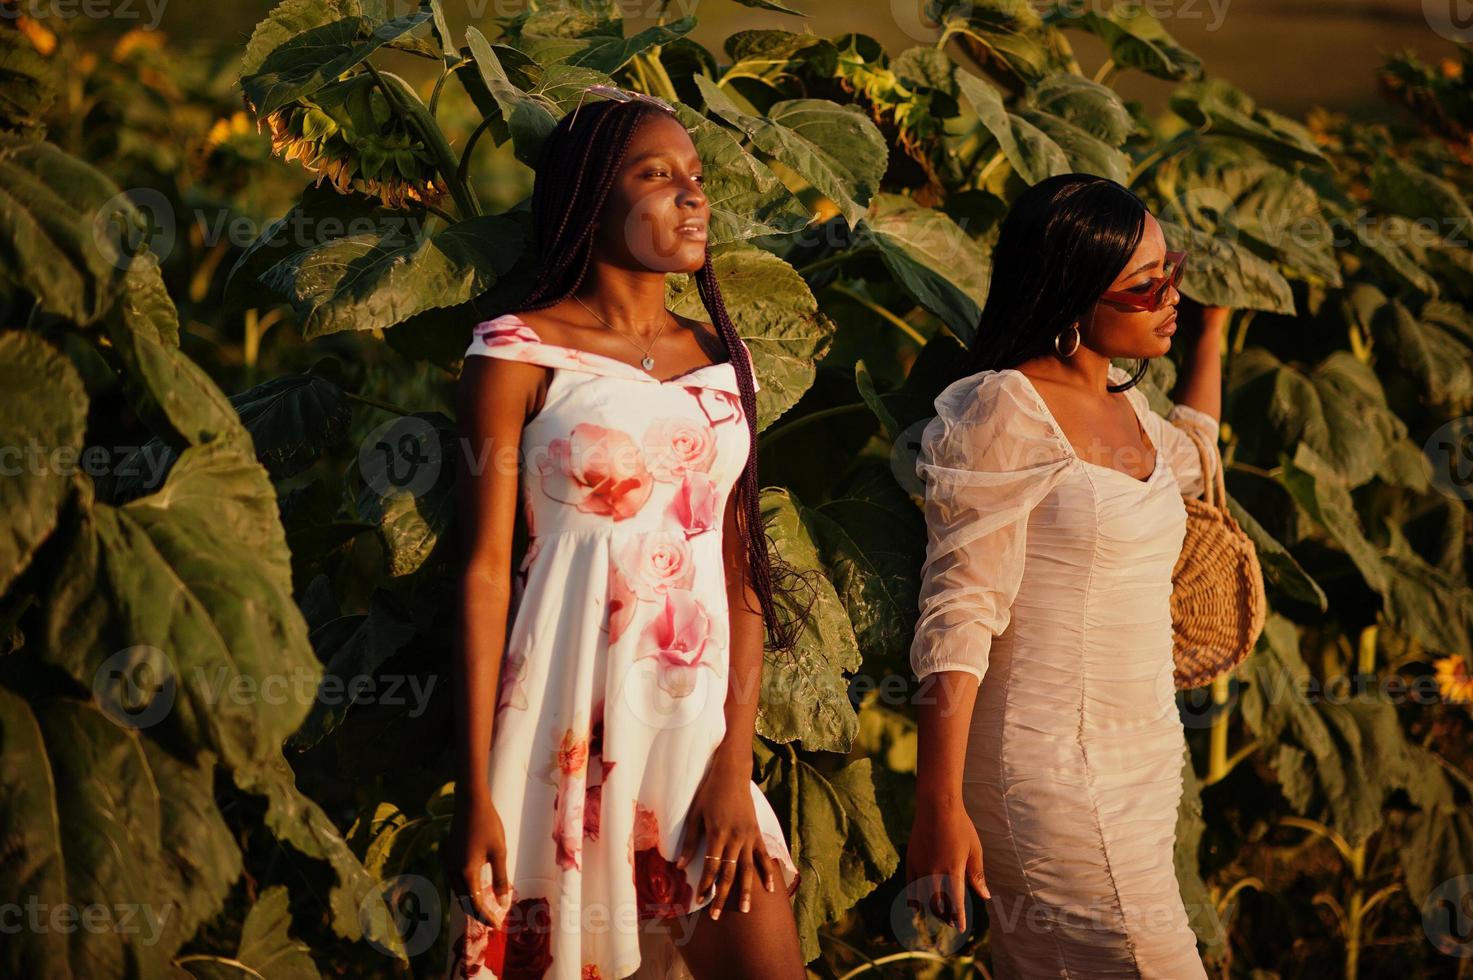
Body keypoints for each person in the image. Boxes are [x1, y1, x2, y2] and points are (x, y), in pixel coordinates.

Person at [445, 86, 809, 980]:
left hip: (696, 736)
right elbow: (486, 572)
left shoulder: (724, 364)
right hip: (561, 726)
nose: (693, 196)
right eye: (658, 176)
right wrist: (474, 794)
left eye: (695, 177)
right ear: (588, 202)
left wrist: (734, 763)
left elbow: (740, 570)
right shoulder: (516, 353)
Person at [903, 173, 1224, 978]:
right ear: (1072, 298)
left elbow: (1194, 459)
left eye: (1171, 270)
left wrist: (1212, 331)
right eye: (1144, 285)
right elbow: (957, 612)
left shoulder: (1127, 407)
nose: (1169, 296)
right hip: (1047, 769)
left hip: (1143, 759)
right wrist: (936, 805)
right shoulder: (1002, 410)